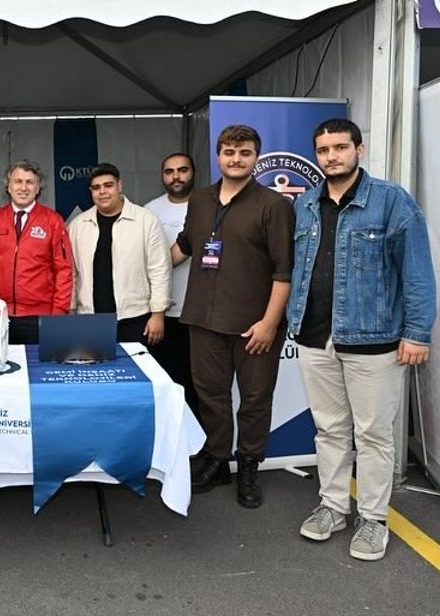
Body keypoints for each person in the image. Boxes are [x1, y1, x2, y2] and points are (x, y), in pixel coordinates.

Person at [289, 118, 434, 562]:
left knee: (373, 435)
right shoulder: (306, 204)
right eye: (323, 149)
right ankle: (333, 507)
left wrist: (417, 332)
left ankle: (373, 518)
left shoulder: (391, 201)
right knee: (329, 430)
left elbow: (417, 271)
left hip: (374, 340)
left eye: (340, 147)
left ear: (359, 149)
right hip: (315, 336)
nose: (331, 156)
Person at [171, 126, 294, 508]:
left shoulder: (273, 205)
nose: (236, 159)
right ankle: (218, 459)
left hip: (253, 324)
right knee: (211, 395)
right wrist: (137, 266)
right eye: (229, 152)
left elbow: (284, 271)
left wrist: (269, 323)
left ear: (256, 157)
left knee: (255, 399)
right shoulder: (200, 200)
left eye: (244, 152)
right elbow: (184, 248)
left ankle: (249, 465)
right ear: (218, 156)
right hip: (203, 319)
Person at [0, 160, 73, 345]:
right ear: (8, 187)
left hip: (39, 317)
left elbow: (63, 270)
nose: (23, 188)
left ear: (38, 188)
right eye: (18, 181)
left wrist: (58, 313)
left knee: (38, 363)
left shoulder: (53, 221)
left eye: (30, 182)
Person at [69, 163, 170, 344]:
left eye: (108, 185)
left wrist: (158, 314)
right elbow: (71, 273)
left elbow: (159, 269)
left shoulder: (145, 221)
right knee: (92, 364)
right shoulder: (78, 225)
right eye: (96, 188)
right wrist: (71, 309)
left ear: (119, 186)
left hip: (135, 318)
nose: (102, 192)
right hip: (90, 318)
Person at [144, 152, 200, 418]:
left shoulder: (208, 205)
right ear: (162, 176)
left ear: (193, 173)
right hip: (163, 313)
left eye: (182, 170)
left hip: (200, 312)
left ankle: (202, 439)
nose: (176, 176)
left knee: (199, 382)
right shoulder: (150, 211)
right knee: (168, 380)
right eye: (169, 171)